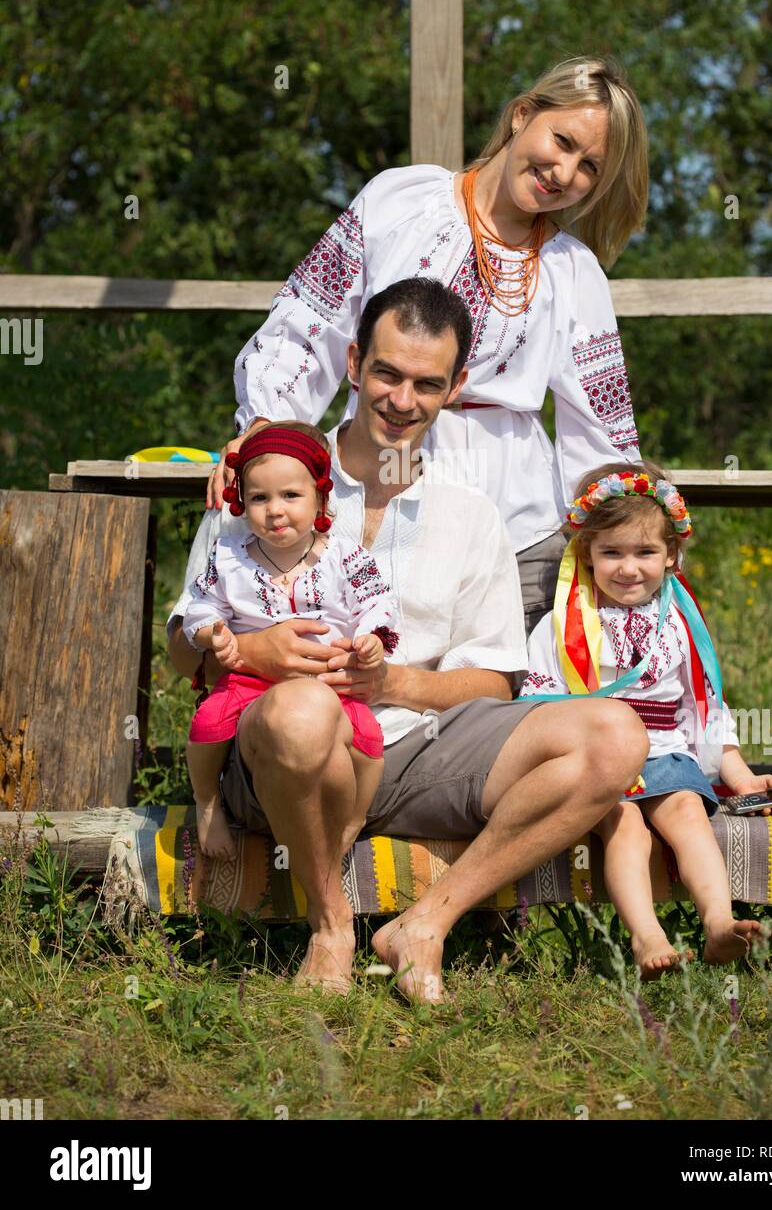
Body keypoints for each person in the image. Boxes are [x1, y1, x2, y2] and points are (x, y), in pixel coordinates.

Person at [167, 280, 649, 1001]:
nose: (401, 399)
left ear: (455, 389)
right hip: (278, 755)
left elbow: (494, 680)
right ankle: (331, 924)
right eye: (387, 374)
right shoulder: (265, 481)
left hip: (416, 748)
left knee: (615, 735)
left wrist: (393, 684)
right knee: (302, 713)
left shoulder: (469, 513)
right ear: (355, 363)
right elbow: (178, 651)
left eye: (427, 383)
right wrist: (251, 650)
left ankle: (425, 923)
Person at [205, 55, 649, 632]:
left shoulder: (573, 272)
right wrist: (267, 428)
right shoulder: (402, 198)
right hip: (367, 485)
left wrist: (629, 525)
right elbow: (310, 320)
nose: (563, 172)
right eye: (562, 141)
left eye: (588, 166)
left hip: (511, 515)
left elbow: (600, 426)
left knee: (496, 695)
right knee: (356, 663)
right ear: (521, 116)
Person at [520, 460, 772, 980]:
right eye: (612, 552)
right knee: (626, 829)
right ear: (586, 552)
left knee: (688, 814)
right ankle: (648, 937)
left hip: (667, 750)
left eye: (645, 552)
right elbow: (542, 703)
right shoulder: (565, 623)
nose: (628, 568)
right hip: (598, 760)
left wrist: (738, 776)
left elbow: (705, 706)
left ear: (671, 554)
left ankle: (718, 922)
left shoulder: (680, 623)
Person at [182, 421, 399, 862]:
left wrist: (371, 638)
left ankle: (355, 816)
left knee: (370, 742)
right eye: (259, 498)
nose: (275, 510)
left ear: (321, 496)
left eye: (290, 496)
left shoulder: (344, 556)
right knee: (206, 723)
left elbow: (376, 600)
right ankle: (207, 802)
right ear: (241, 502)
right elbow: (200, 607)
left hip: (329, 681)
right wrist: (213, 635)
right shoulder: (229, 558)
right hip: (251, 680)